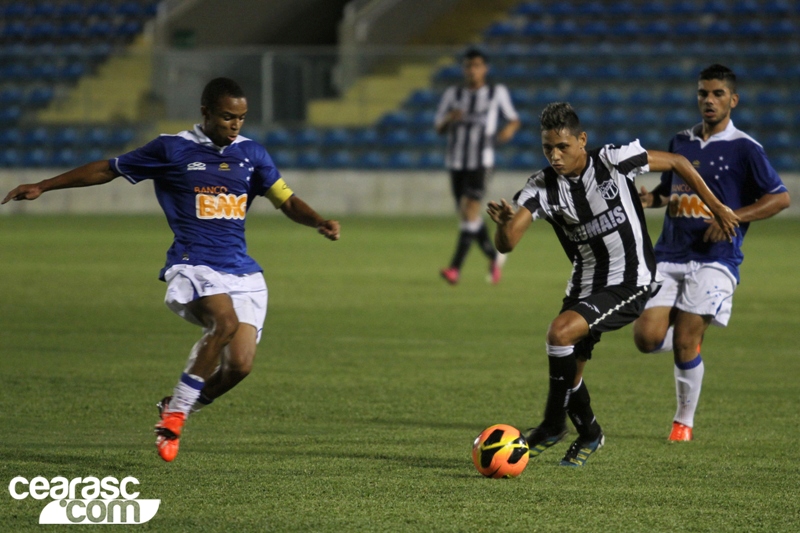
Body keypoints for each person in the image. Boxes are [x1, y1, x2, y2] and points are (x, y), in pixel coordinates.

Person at [2, 77, 340, 462]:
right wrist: (44, 185)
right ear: (206, 112)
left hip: (241, 271)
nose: (235, 125)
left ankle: (179, 405)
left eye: (242, 118)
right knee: (224, 325)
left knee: (241, 366)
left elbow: (286, 199)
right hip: (193, 262)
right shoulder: (172, 148)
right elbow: (108, 169)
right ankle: (176, 417)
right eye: (228, 117)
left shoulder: (253, 155)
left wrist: (318, 221)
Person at [487, 102, 738, 466]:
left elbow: (680, 163)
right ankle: (589, 433)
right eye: (547, 149)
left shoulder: (613, 160)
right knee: (569, 366)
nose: (555, 156)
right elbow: (507, 242)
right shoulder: (541, 186)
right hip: (585, 283)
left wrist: (717, 207)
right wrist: (503, 223)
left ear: (581, 140)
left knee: (559, 334)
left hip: (631, 279)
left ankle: (553, 425)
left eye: (562, 147)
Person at [632, 64, 790, 442]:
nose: (709, 100)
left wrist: (733, 216)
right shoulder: (680, 141)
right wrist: (649, 198)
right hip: (669, 253)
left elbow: (780, 197)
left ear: (732, 100)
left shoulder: (745, 148)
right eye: (703, 93)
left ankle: (682, 422)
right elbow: (670, 191)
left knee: (685, 338)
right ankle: (689, 341)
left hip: (716, 257)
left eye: (718, 94)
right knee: (646, 338)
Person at [435, 47, 520, 285]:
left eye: (477, 66)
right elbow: (438, 127)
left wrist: (506, 132)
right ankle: (495, 257)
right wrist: (450, 119)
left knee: (470, 211)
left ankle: (454, 269)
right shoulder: (453, 94)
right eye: (468, 66)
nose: (472, 70)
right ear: (464, 69)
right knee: (467, 216)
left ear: (485, 69)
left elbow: (513, 119)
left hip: (481, 162)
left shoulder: (496, 92)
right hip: (456, 162)